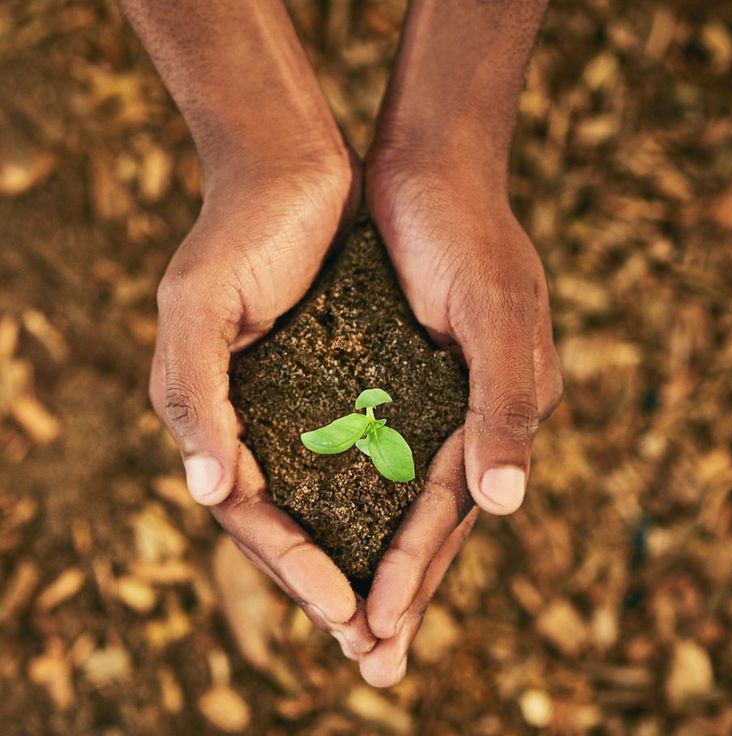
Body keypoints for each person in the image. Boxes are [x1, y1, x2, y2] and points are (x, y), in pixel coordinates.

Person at [119, 0, 563, 687]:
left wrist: (445, 148)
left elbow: (359, 442)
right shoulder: (358, 423)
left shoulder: (369, 423)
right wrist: (269, 154)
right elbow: (342, 440)